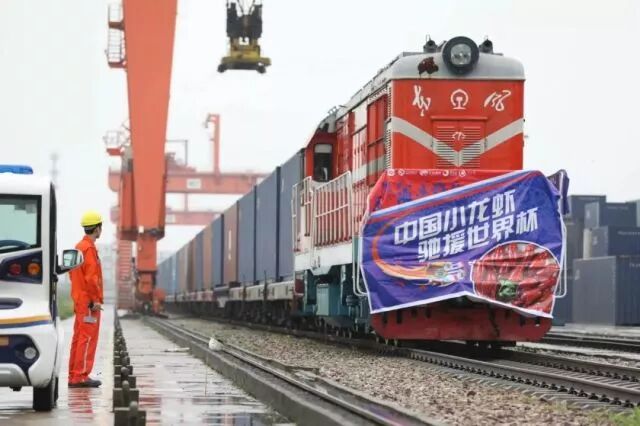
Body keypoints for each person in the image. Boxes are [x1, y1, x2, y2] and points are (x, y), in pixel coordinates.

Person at [68, 210, 104, 388]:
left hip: (80, 300)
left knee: (78, 338)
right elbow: (92, 278)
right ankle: (81, 376)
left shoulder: (78, 247)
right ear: (97, 228)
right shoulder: (89, 249)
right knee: (87, 339)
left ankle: (74, 374)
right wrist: (95, 300)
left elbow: (72, 274)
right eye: (100, 227)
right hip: (89, 303)